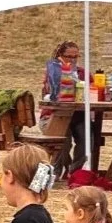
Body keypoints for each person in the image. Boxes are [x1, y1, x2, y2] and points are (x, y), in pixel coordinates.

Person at [43, 39, 86, 174]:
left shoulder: (82, 73)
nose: (73, 60)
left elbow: (92, 89)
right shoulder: (53, 72)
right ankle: (55, 172)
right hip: (54, 116)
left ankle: (75, 171)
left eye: (76, 57)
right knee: (63, 140)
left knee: (88, 137)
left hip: (78, 115)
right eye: (69, 56)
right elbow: (48, 94)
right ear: (59, 55)